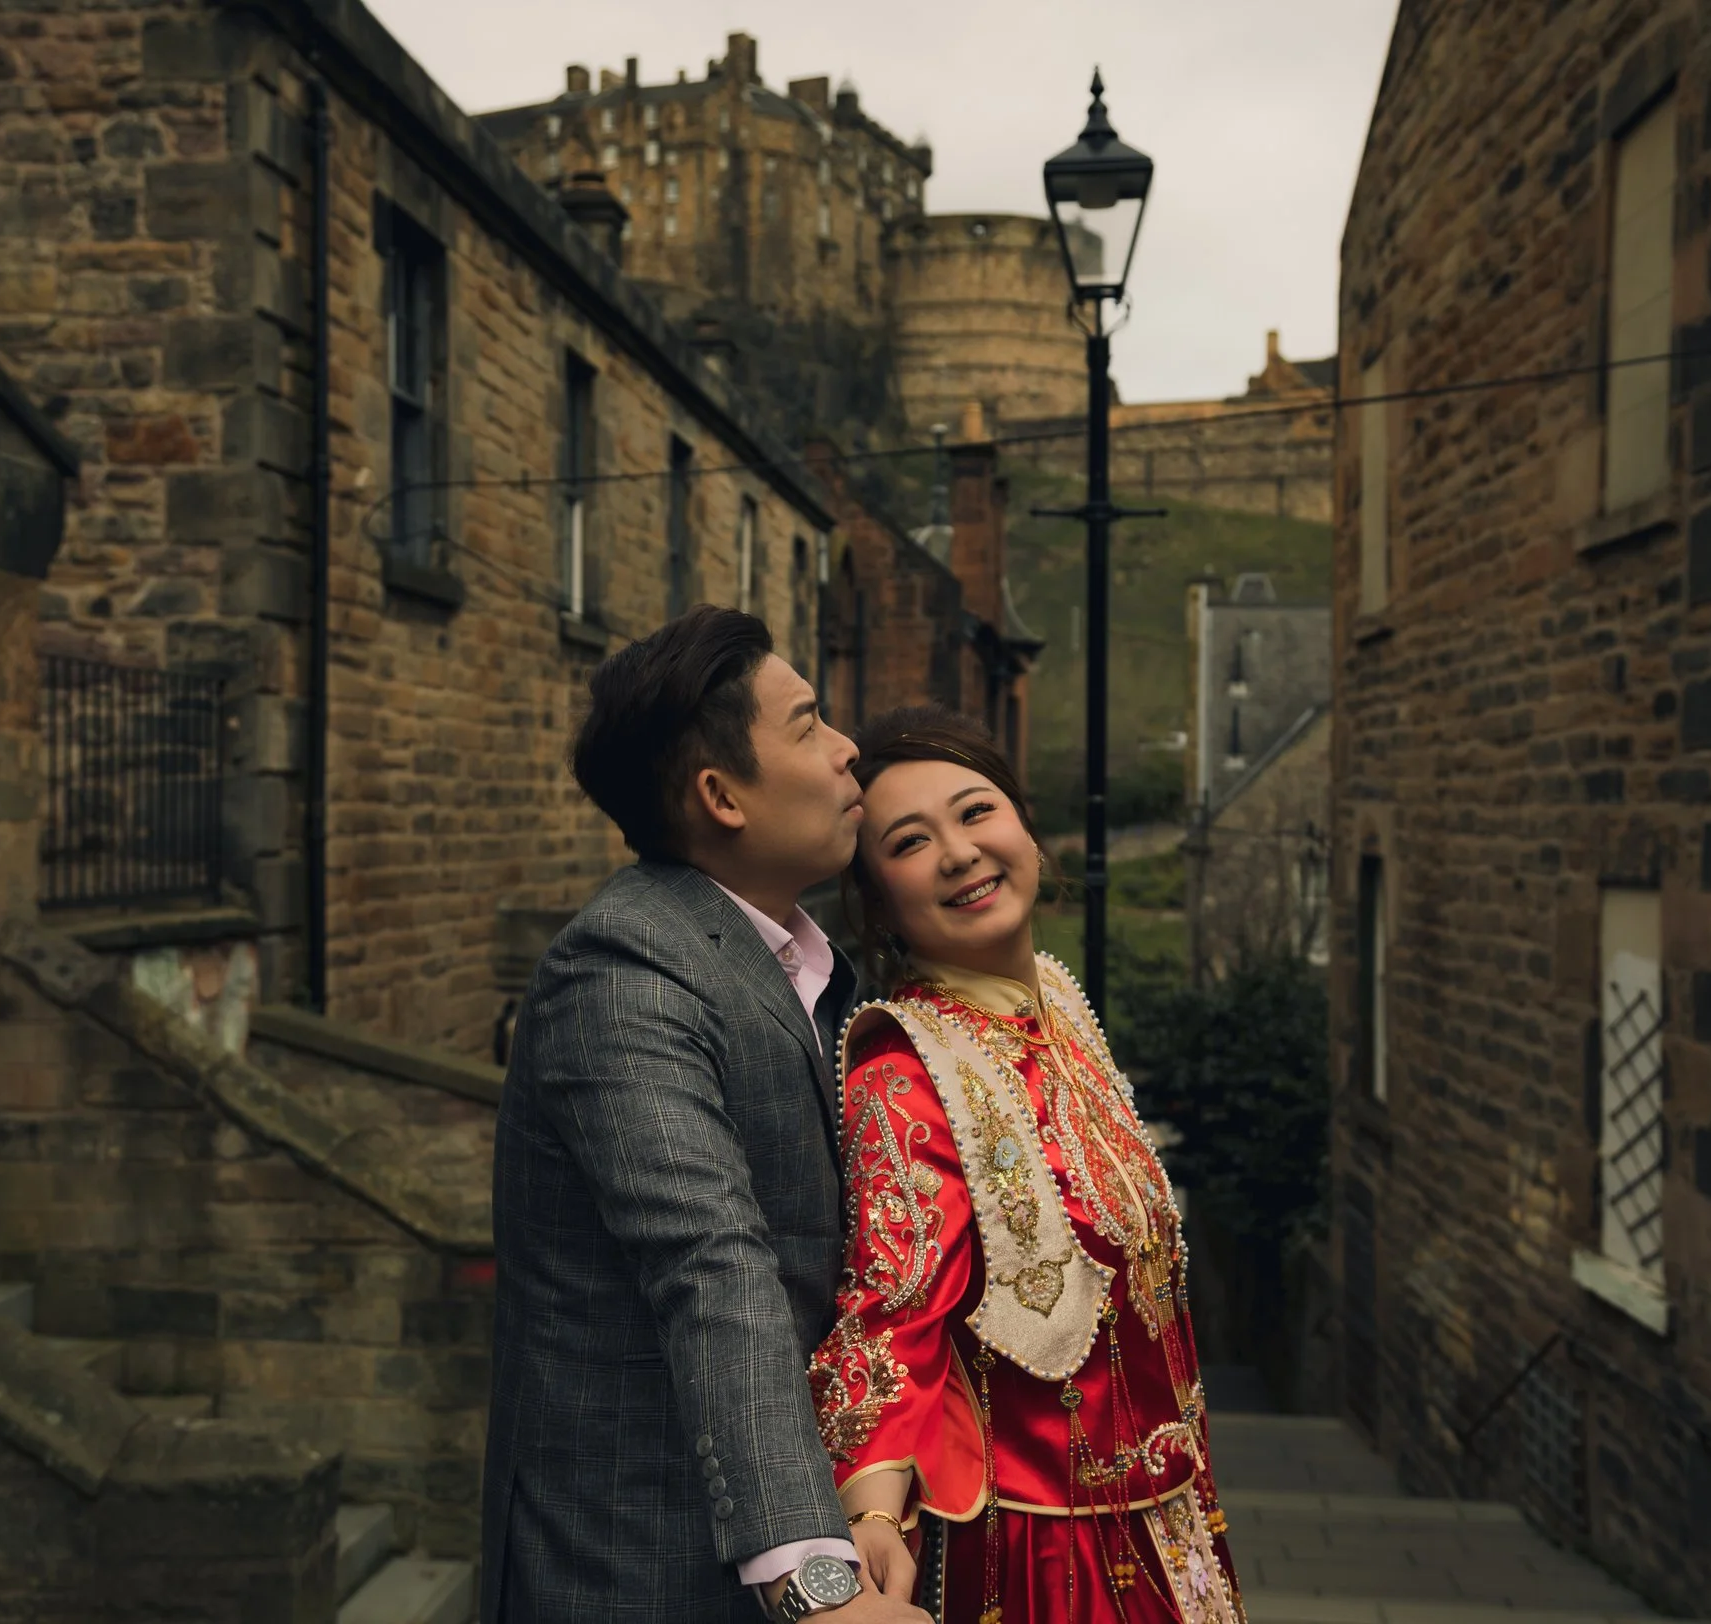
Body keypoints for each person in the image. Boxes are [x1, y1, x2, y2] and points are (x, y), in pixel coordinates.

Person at [482, 606, 933, 1624]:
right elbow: (713, 1265)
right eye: (810, 723)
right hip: (641, 1573)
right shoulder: (621, 971)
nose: (846, 747)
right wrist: (817, 1582)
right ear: (721, 795)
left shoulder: (809, 967)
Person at [812, 706, 1247, 1624]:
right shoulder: (904, 1071)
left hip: (1175, 1525)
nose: (961, 853)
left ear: (1027, 829)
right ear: (879, 902)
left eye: (977, 813)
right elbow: (892, 1315)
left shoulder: (1057, 1005)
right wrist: (872, 1509)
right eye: (910, 841)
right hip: (1046, 1553)